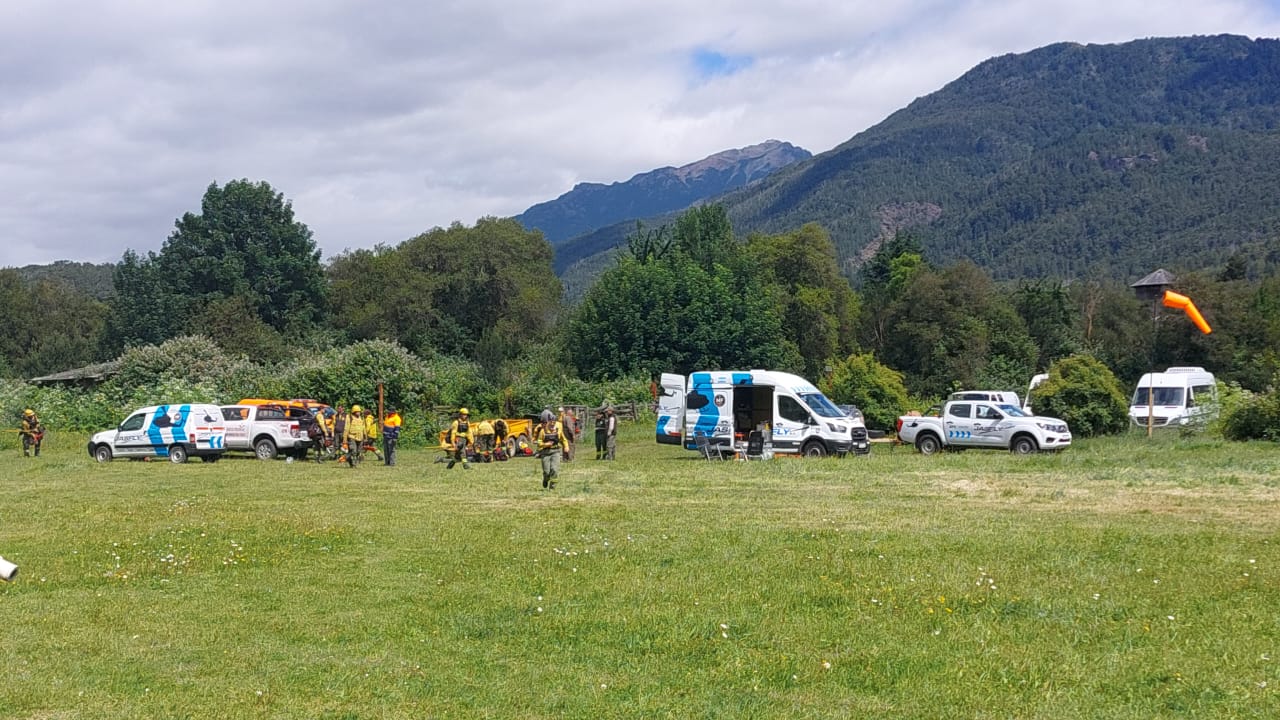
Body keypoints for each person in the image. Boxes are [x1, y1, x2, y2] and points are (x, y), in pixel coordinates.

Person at [534, 409, 569, 489]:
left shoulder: (558, 431)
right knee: (546, 471)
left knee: (554, 469)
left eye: (554, 422)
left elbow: (564, 439)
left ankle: (553, 485)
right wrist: (545, 444)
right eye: (551, 422)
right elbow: (539, 442)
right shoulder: (543, 431)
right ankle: (546, 479)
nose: (552, 424)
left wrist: (566, 446)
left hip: (555, 452)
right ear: (548, 422)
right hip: (545, 452)